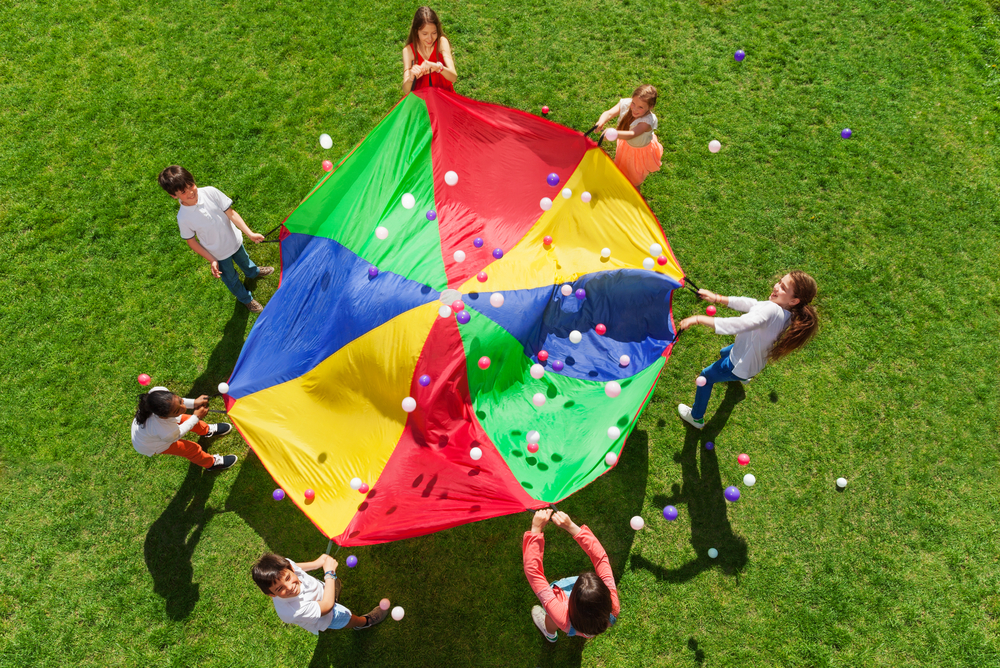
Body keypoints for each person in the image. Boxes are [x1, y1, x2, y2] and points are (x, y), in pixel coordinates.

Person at [676, 271, 819, 428]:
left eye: (783, 287)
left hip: (738, 364)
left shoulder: (771, 309)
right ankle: (744, 377)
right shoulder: (789, 313)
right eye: (779, 282)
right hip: (754, 360)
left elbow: (739, 324)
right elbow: (752, 304)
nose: (776, 286)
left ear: (794, 300)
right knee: (725, 352)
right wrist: (716, 298)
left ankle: (696, 418)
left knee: (705, 377)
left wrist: (698, 319)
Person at [158, 165, 274, 314]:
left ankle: (253, 272)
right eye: (183, 192)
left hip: (235, 241)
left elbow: (231, 213)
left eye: (191, 185)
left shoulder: (210, 192)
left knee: (244, 260)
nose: (191, 192)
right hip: (218, 255)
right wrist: (212, 259)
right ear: (174, 196)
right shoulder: (183, 218)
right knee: (231, 279)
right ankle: (246, 299)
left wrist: (249, 233)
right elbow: (191, 241)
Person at [522, 509, 619, 642]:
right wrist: (570, 526)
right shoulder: (614, 606)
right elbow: (600, 558)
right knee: (558, 618)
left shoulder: (561, 615)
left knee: (552, 619)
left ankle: (549, 632)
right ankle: (587, 633)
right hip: (586, 626)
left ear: (572, 601)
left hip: (566, 620)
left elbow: (533, 573)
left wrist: (536, 529)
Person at [251, 553, 388, 633]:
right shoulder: (292, 611)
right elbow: (327, 606)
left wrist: (316, 563)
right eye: (280, 589)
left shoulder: (283, 566)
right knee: (347, 617)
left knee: (331, 590)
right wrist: (329, 574)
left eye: (288, 578)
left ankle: (333, 592)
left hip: (320, 590)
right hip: (327, 616)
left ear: (289, 568)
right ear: (272, 594)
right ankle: (364, 622)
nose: (290, 587)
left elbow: (296, 566)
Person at [131, 387, 238, 472]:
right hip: (150, 444)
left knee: (186, 419)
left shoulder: (158, 394)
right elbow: (178, 434)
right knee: (191, 449)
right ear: (164, 416)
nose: (184, 408)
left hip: (152, 431)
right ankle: (211, 463)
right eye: (177, 410)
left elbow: (175, 403)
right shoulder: (166, 431)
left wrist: (194, 403)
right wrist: (196, 417)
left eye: (180, 401)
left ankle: (206, 430)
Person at [593, 84, 663, 187]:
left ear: (650, 107)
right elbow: (608, 113)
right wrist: (601, 121)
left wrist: (615, 134)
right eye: (633, 103)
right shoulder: (626, 104)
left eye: (640, 107)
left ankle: (634, 195)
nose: (634, 109)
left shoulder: (648, 121)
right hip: (627, 146)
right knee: (623, 169)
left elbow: (632, 134)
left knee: (634, 179)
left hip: (639, 153)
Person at [401, 7, 457, 94]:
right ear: (416, 31)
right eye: (425, 34)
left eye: (434, 33)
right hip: (422, 101)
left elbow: (453, 77)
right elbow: (406, 90)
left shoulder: (442, 42)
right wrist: (411, 78)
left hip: (445, 97)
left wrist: (438, 67)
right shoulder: (408, 51)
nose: (430, 38)